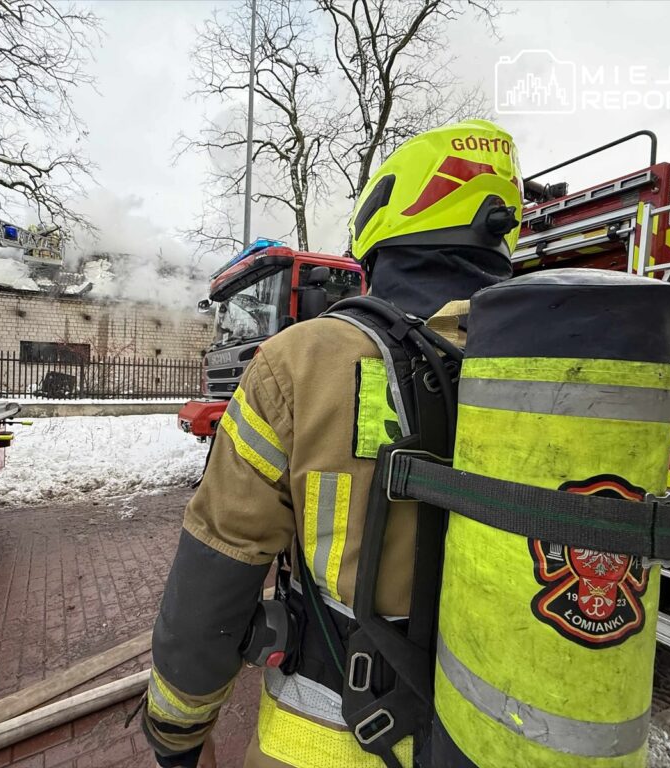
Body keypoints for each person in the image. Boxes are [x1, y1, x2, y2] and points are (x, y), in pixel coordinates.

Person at [142, 119, 524, 768]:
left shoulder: (300, 362)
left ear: (382, 222)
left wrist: (176, 731)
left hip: (334, 737)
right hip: (503, 736)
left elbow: (217, 572)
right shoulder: (551, 369)